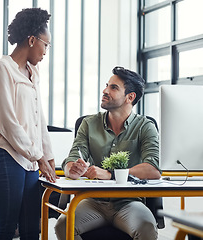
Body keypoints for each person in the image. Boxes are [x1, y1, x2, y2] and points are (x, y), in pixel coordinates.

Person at [55, 66, 161, 240]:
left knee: (146, 228)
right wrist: (71, 169)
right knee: (63, 226)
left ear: (130, 97)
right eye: (107, 85)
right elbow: (72, 158)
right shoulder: (88, 124)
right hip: (92, 201)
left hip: (129, 202)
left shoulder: (145, 126)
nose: (105, 91)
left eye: (114, 87)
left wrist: (110, 174)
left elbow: (152, 169)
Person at [0, 8, 58, 240]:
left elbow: (39, 118)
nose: (46, 51)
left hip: (30, 159)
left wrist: (48, 154)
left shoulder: (33, 72)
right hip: (5, 153)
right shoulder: (2, 68)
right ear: (32, 40)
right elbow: (7, 122)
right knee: (7, 226)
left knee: (30, 228)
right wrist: (38, 156)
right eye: (46, 45)